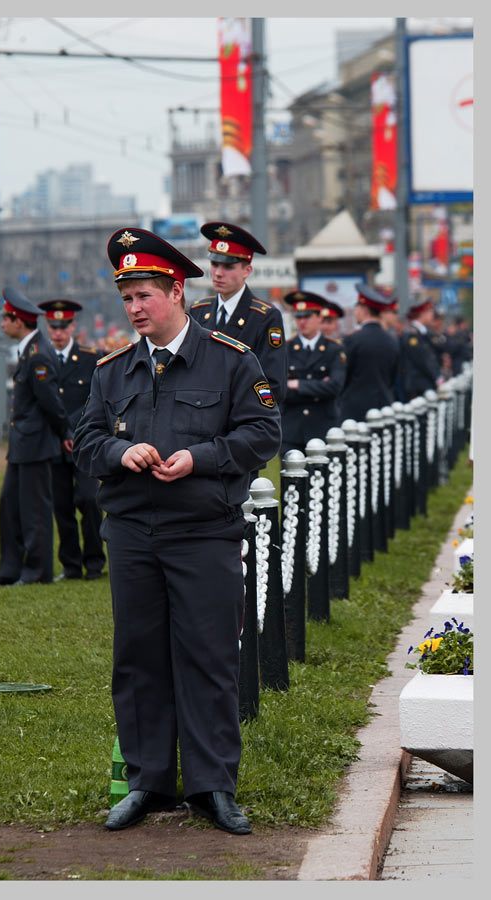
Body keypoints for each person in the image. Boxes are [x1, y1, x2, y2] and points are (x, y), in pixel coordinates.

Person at [73, 228, 281, 835]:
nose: (135, 308)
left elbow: (263, 434)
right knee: (137, 660)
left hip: (204, 533)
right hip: (134, 535)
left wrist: (202, 458)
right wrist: (120, 452)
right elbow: (86, 439)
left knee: (209, 658)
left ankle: (213, 785)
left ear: (177, 291)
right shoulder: (112, 370)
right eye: (127, 298)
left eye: (145, 295)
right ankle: (148, 783)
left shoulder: (232, 359)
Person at [0, 288, 71, 586]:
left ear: (19, 321)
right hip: (23, 444)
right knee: (10, 507)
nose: (2, 323)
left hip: (36, 444)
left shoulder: (38, 355)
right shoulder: (30, 350)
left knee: (35, 512)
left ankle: (38, 571)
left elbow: (51, 403)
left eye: (6, 318)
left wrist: (65, 433)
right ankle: (10, 569)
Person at [38, 299, 107, 581]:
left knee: (89, 499)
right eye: (53, 327)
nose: (58, 332)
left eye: (63, 326)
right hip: (54, 440)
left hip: (84, 440)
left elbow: (96, 399)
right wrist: (62, 432)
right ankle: (70, 564)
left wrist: (75, 431)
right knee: (62, 504)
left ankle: (94, 561)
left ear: (72, 326)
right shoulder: (40, 358)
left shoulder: (91, 357)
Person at [188, 221, 287, 408]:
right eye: (215, 264)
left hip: (242, 419)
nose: (218, 273)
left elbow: (273, 385)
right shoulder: (199, 311)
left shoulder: (265, 317)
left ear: (247, 271)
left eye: (228, 267)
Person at [280, 289, 346, 456]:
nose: (302, 322)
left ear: (319, 318)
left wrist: (298, 384)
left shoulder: (334, 349)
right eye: (298, 317)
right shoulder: (285, 349)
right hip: (292, 429)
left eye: (307, 316)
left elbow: (335, 387)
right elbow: (280, 389)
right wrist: (318, 387)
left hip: (322, 427)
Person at [339, 283, 401, 423]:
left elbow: (344, 375)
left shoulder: (352, 340)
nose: (355, 312)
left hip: (354, 411)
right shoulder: (392, 341)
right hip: (383, 406)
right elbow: (393, 376)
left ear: (364, 310)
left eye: (357, 307)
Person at [399, 298, 442, 400]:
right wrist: (437, 377)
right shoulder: (412, 335)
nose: (432, 315)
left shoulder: (422, 332)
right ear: (422, 313)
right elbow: (422, 360)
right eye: (430, 311)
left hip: (424, 384)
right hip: (417, 386)